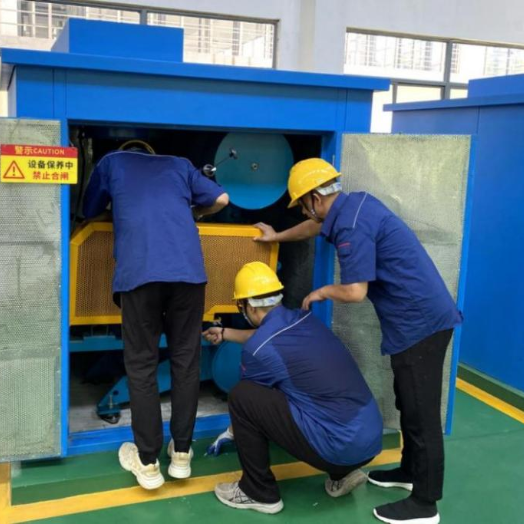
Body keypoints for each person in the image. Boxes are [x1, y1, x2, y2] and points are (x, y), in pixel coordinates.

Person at [253, 158, 462, 524]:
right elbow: (313, 226)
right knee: (407, 401)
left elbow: (354, 291)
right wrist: (276, 237)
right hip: (413, 322)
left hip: (421, 324)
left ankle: (425, 504)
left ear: (316, 198)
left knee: (421, 412)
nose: (304, 211)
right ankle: (410, 471)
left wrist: (320, 292)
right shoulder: (355, 203)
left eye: (302, 203)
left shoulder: (351, 225)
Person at [83, 145, 229, 490]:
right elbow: (222, 199)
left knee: (141, 365)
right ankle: (181, 455)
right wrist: (195, 213)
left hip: (140, 275)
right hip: (188, 276)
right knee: (186, 362)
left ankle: (148, 462)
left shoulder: (111, 163)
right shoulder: (180, 163)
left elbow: (89, 211)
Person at [202, 262, 382, 515]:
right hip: (370, 440)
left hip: (335, 446)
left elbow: (254, 400)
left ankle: (257, 492)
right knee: (312, 394)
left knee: (243, 396)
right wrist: (225, 333)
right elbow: (268, 336)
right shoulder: (305, 319)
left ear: (249, 306)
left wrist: (232, 431)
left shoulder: (258, 350)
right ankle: (343, 475)